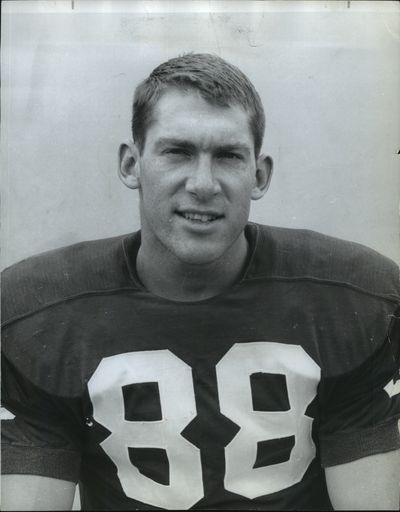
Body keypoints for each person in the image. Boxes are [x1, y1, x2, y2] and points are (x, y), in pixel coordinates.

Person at [1, 53, 399, 511]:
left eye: (228, 156)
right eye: (178, 151)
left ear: (260, 174)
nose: (203, 183)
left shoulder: (352, 296)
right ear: (132, 165)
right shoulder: (38, 310)